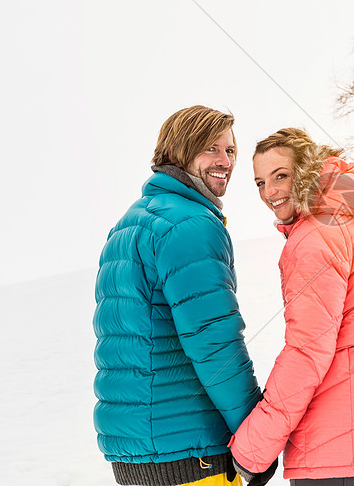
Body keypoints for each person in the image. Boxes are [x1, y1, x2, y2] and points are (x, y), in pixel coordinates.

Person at [230, 128, 354, 485]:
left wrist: (253, 448)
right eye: (260, 183)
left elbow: (308, 353)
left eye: (281, 176)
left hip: (334, 446)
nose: (270, 192)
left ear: (307, 171)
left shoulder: (313, 239)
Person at [93, 105, 273, 486]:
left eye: (230, 150)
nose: (225, 161)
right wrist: (255, 436)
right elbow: (213, 342)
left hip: (135, 454)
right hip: (191, 450)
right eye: (211, 148)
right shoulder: (189, 224)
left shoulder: (128, 224)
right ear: (176, 153)